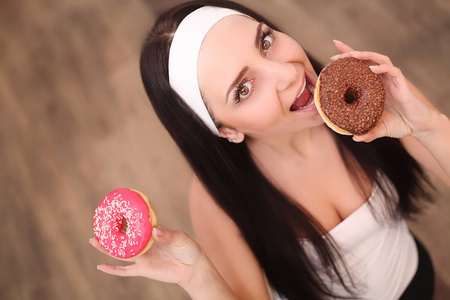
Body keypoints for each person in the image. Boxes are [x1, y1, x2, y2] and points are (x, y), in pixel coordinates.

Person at [91, 0, 450, 299]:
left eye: (265, 41)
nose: (287, 74)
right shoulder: (216, 199)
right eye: (243, 89)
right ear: (226, 130)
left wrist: (430, 124)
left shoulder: (369, 94)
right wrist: (199, 279)